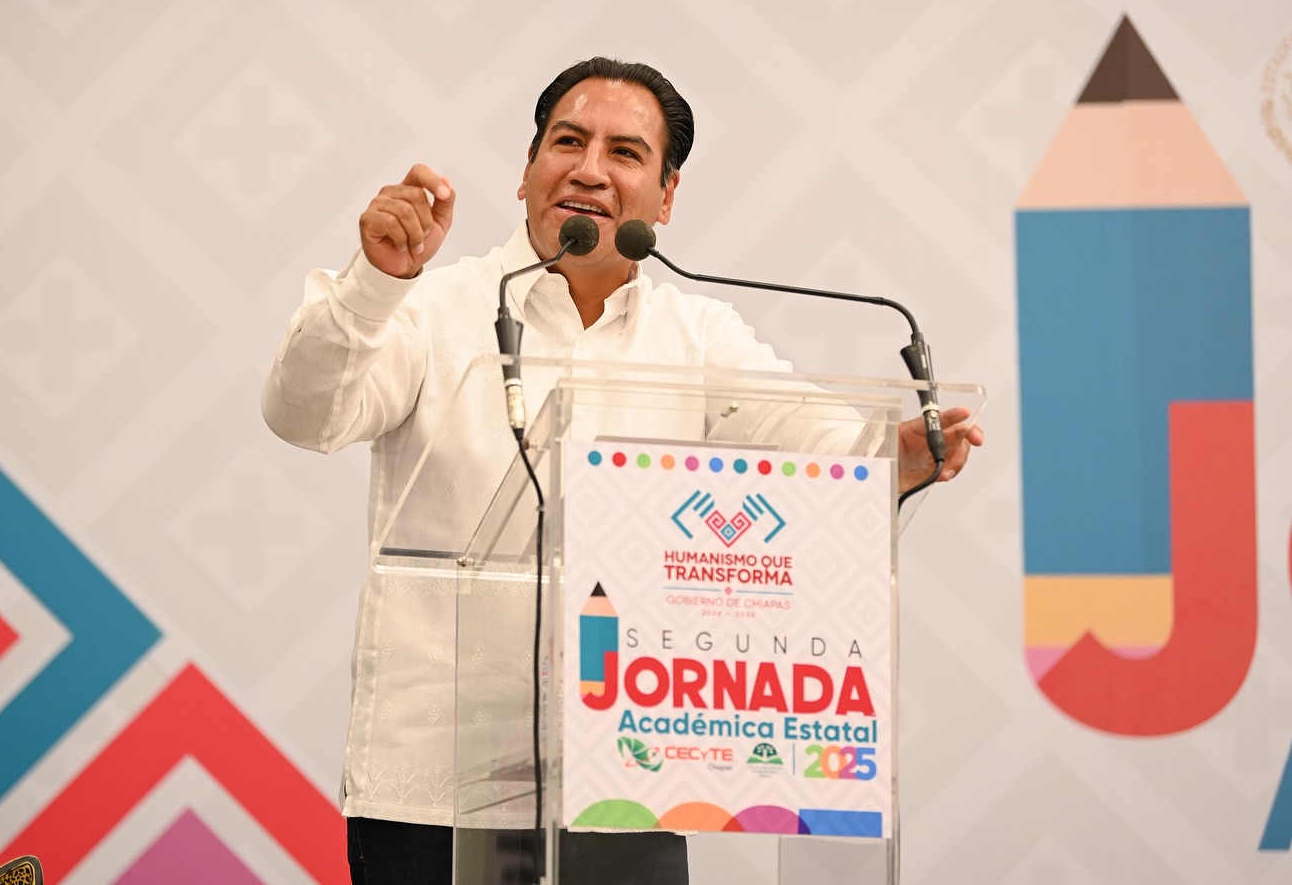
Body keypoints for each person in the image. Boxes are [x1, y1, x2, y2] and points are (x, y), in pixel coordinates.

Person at [261, 57, 983, 885]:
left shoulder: (698, 336)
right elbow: (304, 415)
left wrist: (894, 458)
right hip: (434, 795)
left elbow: (819, 447)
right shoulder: (428, 306)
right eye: (568, 142)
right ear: (528, 170)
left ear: (666, 198)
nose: (590, 170)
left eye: (626, 153)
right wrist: (373, 285)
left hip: (625, 783)